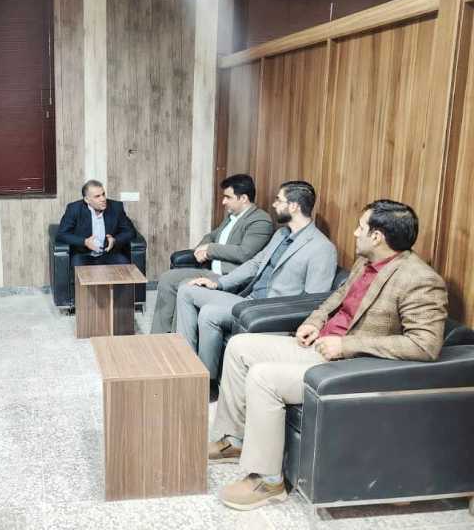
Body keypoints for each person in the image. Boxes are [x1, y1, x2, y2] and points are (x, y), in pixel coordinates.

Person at [209, 200, 448, 511]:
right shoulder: (365, 262)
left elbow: (425, 345)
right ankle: (235, 440)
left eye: (361, 227)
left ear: (377, 236)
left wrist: (348, 345)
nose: (355, 233)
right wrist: (314, 321)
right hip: (321, 346)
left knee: (263, 377)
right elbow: (336, 298)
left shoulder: (420, 279)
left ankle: (268, 481)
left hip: (347, 364)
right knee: (241, 346)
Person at [176, 181, 337, 380]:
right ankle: (185, 366)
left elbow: (313, 301)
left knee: (209, 313)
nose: (274, 204)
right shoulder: (281, 234)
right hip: (249, 300)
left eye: (279, 200)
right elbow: (255, 264)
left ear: (294, 206)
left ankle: (203, 380)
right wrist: (219, 283)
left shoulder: (322, 248)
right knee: (186, 289)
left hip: (268, 312)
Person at [151, 174, 274, 334]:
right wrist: (201, 248)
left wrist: (209, 250)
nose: (223, 202)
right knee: (167, 278)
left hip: (228, 277)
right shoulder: (232, 216)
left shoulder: (260, 221)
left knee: (186, 285)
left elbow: (244, 253)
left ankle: (177, 340)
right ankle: (159, 335)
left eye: (228, 197)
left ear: (243, 198)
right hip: (210, 271)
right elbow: (212, 235)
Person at [56, 179, 137, 267]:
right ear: (87, 199)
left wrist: (115, 240)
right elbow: (62, 234)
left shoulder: (116, 207)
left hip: (109, 254)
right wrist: (85, 242)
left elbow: (130, 232)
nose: (103, 199)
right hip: (83, 255)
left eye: (103, 194)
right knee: (78, 266)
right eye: (97, 196)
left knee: (124, 265)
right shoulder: (74, 209)